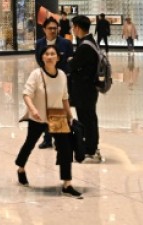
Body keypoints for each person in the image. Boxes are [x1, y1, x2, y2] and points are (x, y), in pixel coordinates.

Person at [15, 45, 82, 198]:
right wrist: (33, 110)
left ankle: (67, 184)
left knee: (65, 149)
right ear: (42, 57)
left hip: (58, 117)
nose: (50, 56)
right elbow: (26, 94)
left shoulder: (62, 75)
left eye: (53, 54)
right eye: (47, 54)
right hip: (38, 118)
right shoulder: (36, 74)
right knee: (29, 144)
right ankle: (21, 168)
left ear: (58, 58)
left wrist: (70, 117)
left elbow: (65, 98)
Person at [34, 17, 74, 150]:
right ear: (44, 29)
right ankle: (47, 139)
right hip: (45, 80)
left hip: (61, 80)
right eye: (50, 28)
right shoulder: (39, 43)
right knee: (45, 109)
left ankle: (59, 139)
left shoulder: (66, 43)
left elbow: (69, 61)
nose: (53, 30)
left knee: (59, 109)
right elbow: (39, 60)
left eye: (55, 28)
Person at [68, 15, 102, 162]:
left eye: (72, 27)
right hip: (88, 89)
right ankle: (91, 147)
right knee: (90, 118)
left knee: (87, 120)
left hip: (85, 90)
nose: (72, 29)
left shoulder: (85, 46)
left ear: (77, 27)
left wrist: (71, 61)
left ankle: (91, 149)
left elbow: (72, 65)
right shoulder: (90, 42)